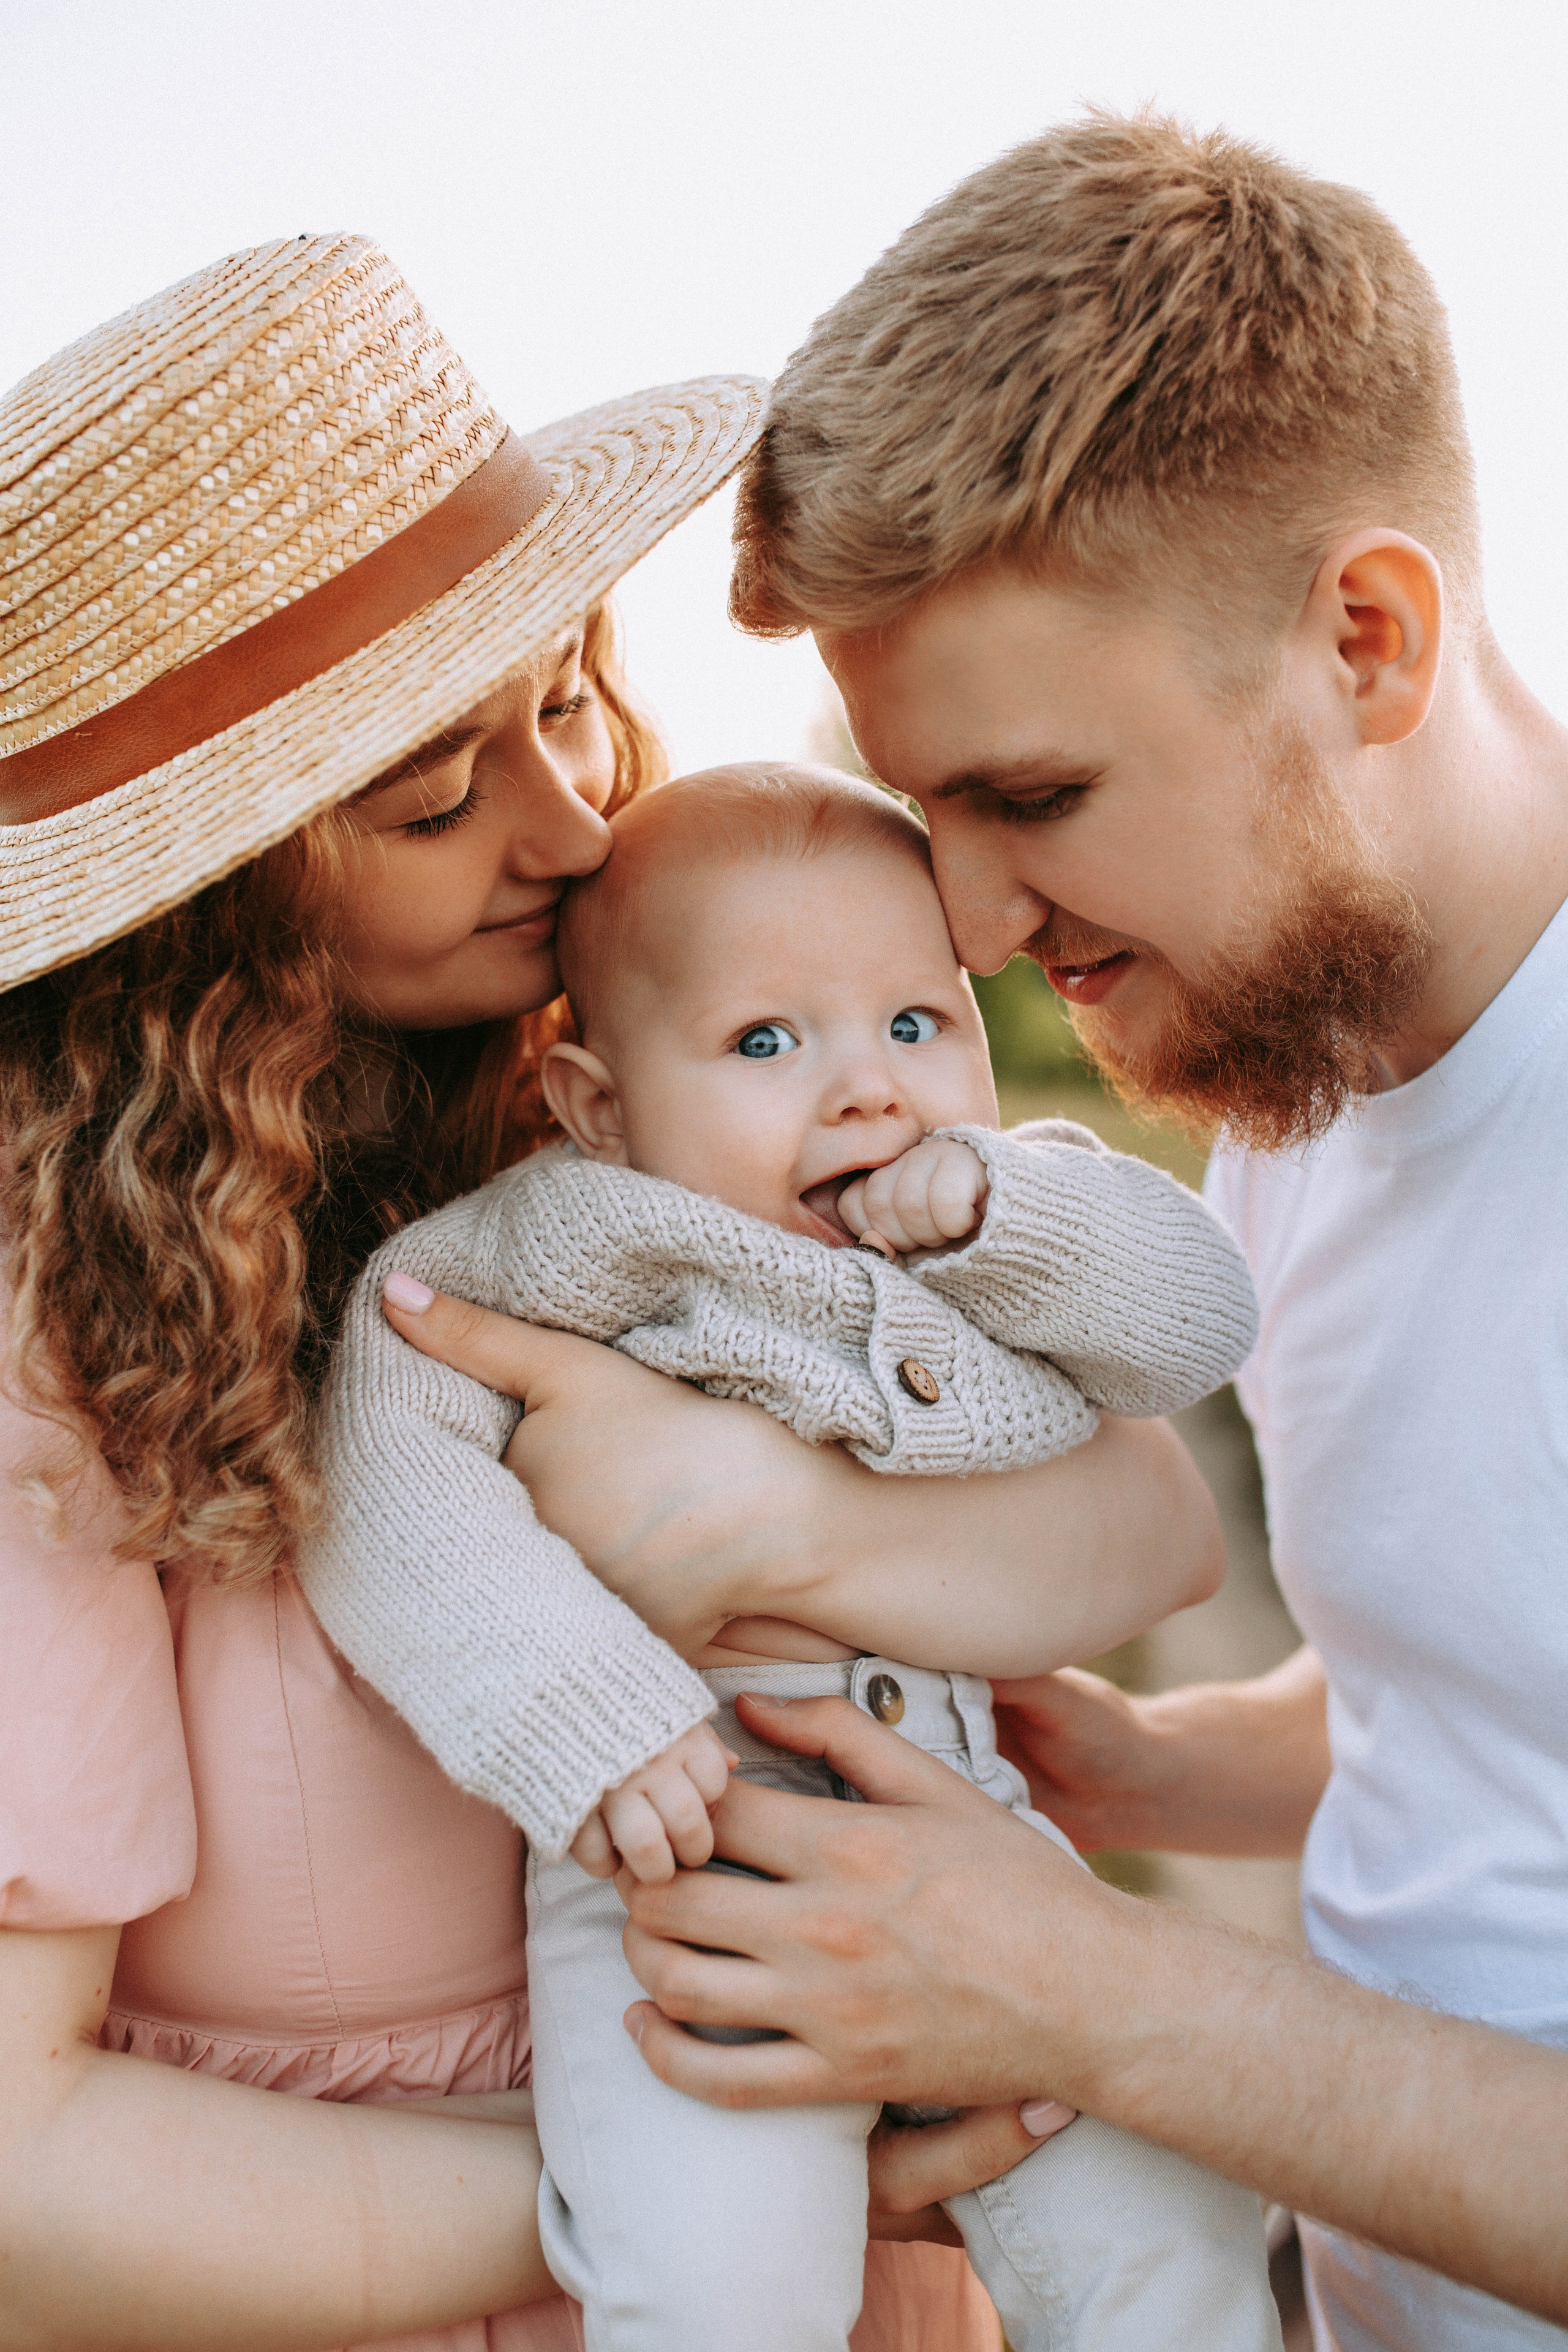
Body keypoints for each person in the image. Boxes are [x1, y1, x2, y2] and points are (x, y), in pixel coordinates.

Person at [375, 115, 1568, 2350]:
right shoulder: (1297, 1073)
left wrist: (1094, 1996)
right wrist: (1150, 1769)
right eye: (934, 817)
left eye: (1033, 801)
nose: (984, 928)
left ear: (1370, 639)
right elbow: (1493, 1667)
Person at [0, 233, 1220, 2351]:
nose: (573, 824)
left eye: (562, 699)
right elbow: (21, 2175)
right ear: (207, 907)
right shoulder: (58, 1341)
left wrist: (790, 1528)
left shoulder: (645, 1092)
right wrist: (743, 2180)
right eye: (438, 791)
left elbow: (1151, 1515)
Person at [301, 761, 1274, 2352]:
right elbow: (385, 1471)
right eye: (767, 1042)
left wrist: (996, 1224)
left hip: (982, 1845)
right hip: (688, 1868)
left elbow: (1196, 1322)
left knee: (1166, 2217)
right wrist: (584, 1720)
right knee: (710, 2272)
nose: (870, 1090)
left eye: (917, 1022)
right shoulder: (557, 1242)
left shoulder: (993, 1216)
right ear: (600, 1110)